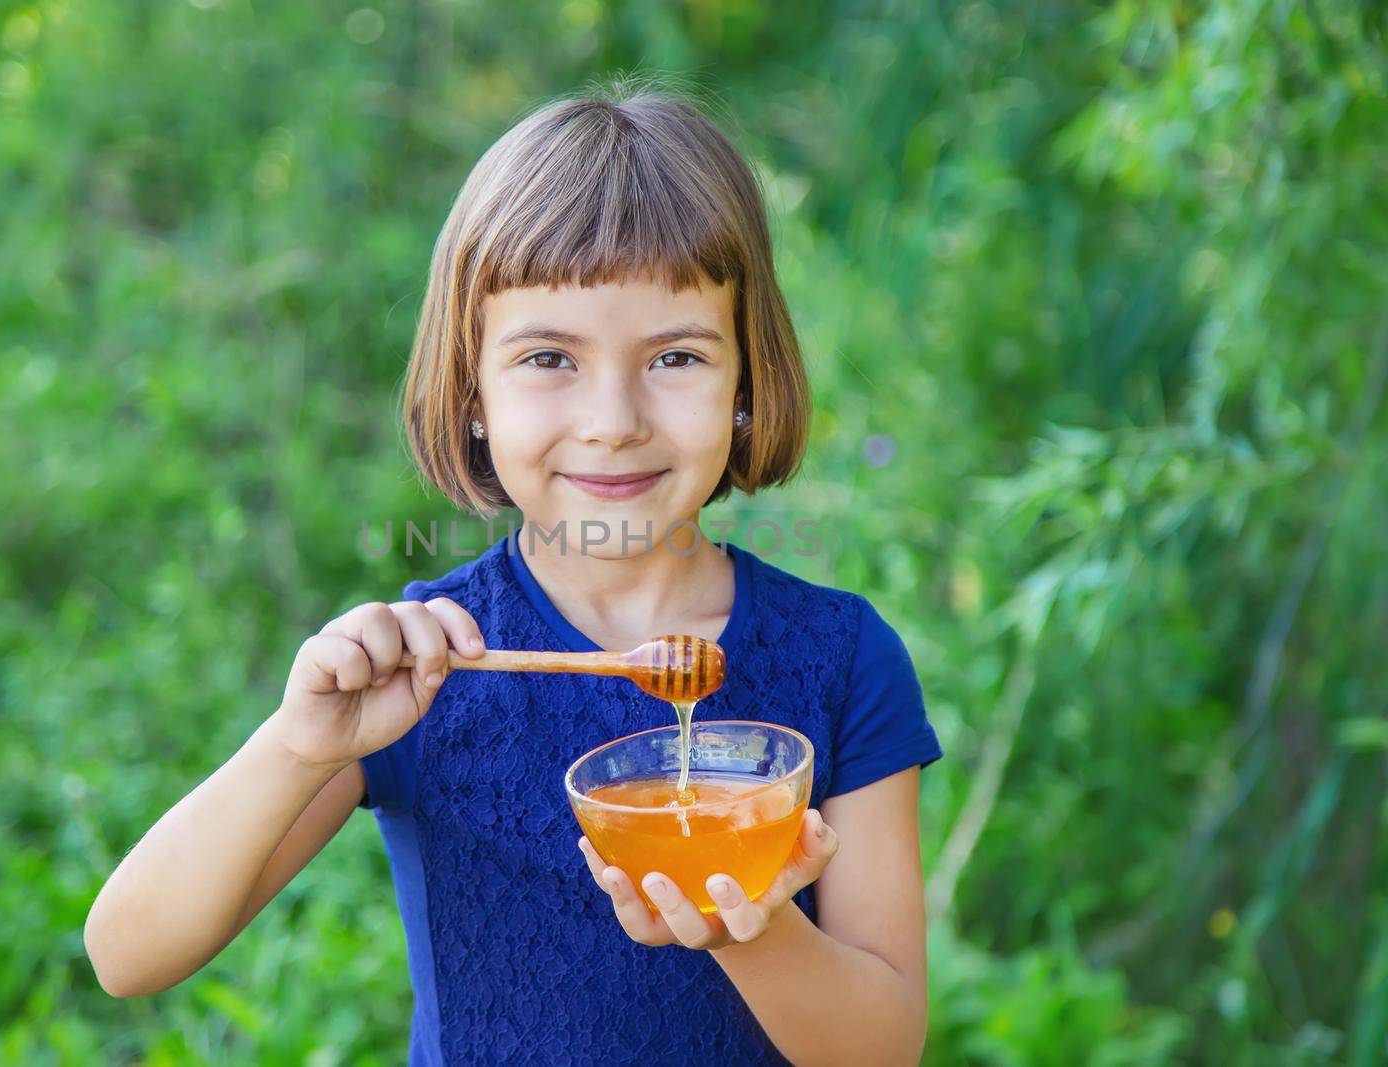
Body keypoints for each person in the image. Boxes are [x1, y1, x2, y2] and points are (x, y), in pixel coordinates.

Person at [84, 77, 943, 1066]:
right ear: (473, 392)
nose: (613, 418)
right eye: (548, 358)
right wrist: (298, 744)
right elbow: (126, 952)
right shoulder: (423, 668)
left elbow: (880, 1048)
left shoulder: (841, 660)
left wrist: (750, 922)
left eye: (675, 358)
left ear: (747, 380)